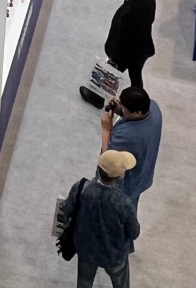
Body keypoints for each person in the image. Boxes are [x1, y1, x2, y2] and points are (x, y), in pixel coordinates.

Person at [58, 149, 141, 288]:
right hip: (114, 255)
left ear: (99, 168)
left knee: (84, 283)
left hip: (86, 250)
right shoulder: (124, 203)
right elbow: (134, 233)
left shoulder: (81, 188)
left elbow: (65, 213)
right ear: (121, 176)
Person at [101, 86, 162, 208]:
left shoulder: (128, 136)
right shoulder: (153, 107)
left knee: (114, 213)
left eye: (124, 109)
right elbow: (131, 114)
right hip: (142, 174)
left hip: (123, 186)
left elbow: (107, 160)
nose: (122, 109)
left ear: (137, 112)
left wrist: (106, 129)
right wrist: (119, 109)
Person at [105, 0, 157, 93]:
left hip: (127, 53)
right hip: (143, 48)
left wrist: (113, 56)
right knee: (135, 74)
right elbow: (150, 19)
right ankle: (138, 95)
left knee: (111, 74)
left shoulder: (127, 12)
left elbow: (122, 39)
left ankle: (99, 96)